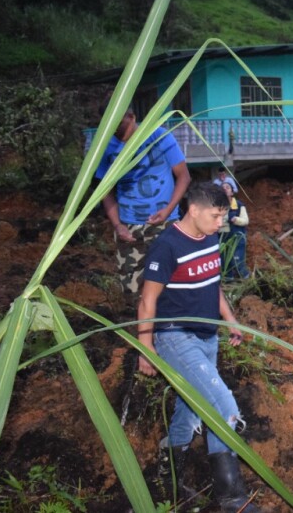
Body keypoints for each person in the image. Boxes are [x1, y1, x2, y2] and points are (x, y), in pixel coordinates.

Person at [136, 183, 257, 513]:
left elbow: (212, 284)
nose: (221, 223)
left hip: (208, 336)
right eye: (216, 216)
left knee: (190, 411)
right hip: (176, 337)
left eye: (223, 216)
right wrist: (145, 347)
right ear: (194, 210)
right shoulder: (167, 246)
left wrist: (229, 318)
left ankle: (169, 475)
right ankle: (230, 499)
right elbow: (148, 300)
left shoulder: (210, 239)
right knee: (223, 407)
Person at [95, 107, 191, 294]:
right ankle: (143, 323)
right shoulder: (106, 148)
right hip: (129, 229)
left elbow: (184, 176)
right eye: (108, 125)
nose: (114, 130)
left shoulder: (159, 136)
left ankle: (170, 323)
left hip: (165, 224)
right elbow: (104, 191)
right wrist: (117, 225)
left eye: (118, 124)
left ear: (131, 116)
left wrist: (169, 209)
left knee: (172, 285)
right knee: (133, 291)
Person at [219, 180, 249, 280]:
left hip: (237, 238)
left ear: (232, 192)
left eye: (227, 187)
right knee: (224, 263)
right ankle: (229, 282)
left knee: (237, 260)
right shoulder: (217, 207)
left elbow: (245, 221)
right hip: (223, 238)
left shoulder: (239, 205)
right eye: (222, 188)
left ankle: (247, 279)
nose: (225, 189)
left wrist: (235, 219)